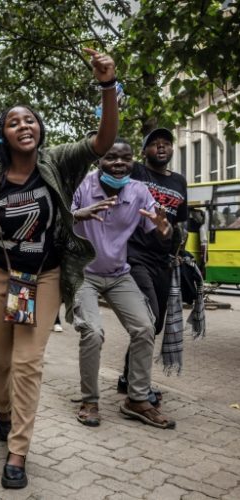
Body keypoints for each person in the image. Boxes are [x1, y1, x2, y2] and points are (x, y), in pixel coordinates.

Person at [0, 48, 119, 489]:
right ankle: (2, 411)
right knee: (0, 362)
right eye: (14, 122)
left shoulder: (58, 163)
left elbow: (101, 143)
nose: (24, 126)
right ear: (2, 135)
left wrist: (108, 86)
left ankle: (18, 450)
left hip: (41, 278)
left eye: (30, 120)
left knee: (28, 362)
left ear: (39, 130)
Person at [72, 139, 176, 431]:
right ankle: (89, 401)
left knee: (145, 328)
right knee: (92, 332)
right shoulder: (83, 186)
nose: (119, 163)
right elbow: (60, 219)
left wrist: (165, 230)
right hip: (84, 274)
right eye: (111, 157)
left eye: (125, 158)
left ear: (133, 162)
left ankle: (137, 400)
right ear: (99, 161)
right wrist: (75, 215)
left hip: (118, 273)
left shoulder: (139, 191)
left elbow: (158, 228)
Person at [117, 128, 188, 399]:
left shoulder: (179, 182)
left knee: (153, 324)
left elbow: (179, 222)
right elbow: (111, 158)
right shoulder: (135, 171)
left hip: (164, 260)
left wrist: (179, 251)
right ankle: (139, 385)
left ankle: (127, 377)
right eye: (154, 144)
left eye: (166, 143)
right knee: (147, 317)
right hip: (135, 255)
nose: (161, 147)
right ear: (144, 150)